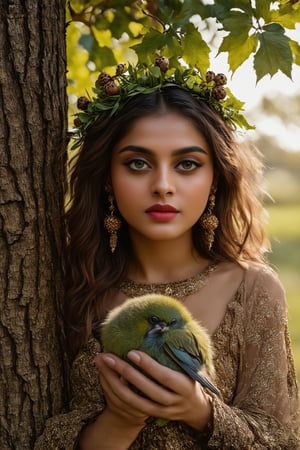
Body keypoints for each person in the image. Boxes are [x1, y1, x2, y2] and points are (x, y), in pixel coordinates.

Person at [35, 58, 300, 449]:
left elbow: (281, 441)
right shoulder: (73, 285)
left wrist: (200, 410)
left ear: (215, 180)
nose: (162, 185)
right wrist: (122, 419)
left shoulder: (252, 289)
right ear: (107, 178)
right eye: (138, 163)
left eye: (187, 164)